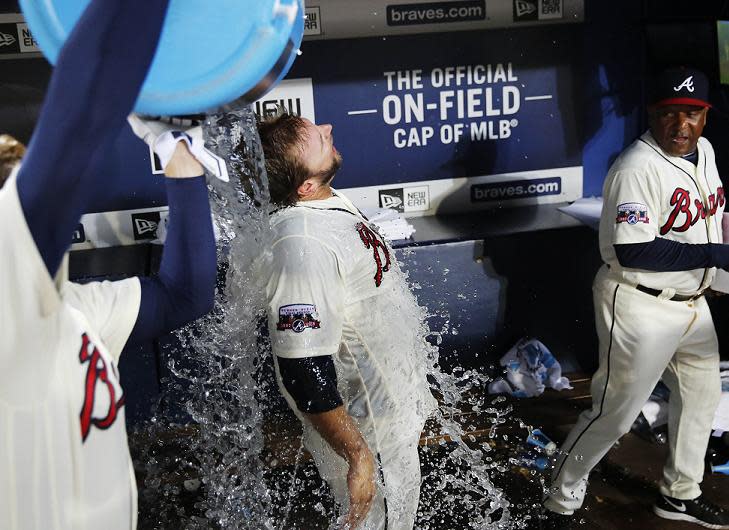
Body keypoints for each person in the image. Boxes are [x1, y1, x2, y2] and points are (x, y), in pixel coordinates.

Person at [0, 1, 218, 529]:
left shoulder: (68, 310)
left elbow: (186, 294)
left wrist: (179, 154)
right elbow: (76, 124)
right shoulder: (7, 302)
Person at [541, 67, 729, 529]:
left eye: (691, 114)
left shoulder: (703, 152)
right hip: (639, 304)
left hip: (692, 304)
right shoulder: (636, 167)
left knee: (701, 398)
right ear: (652, 114)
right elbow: (634, 248)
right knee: (614, 415)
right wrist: (717, 254)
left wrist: (718, 276)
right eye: (669, 114)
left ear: (705, 118)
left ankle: (680, 496)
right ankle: (559, 504)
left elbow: (711, 221)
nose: (680, 126)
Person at [255, 112, 438, 529]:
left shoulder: (319, 202)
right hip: (365, 430)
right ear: (304, 185)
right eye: (318, 138)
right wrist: (358, 455)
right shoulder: (301, 245)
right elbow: (302, 368)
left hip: (386, 418)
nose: (329, 128)